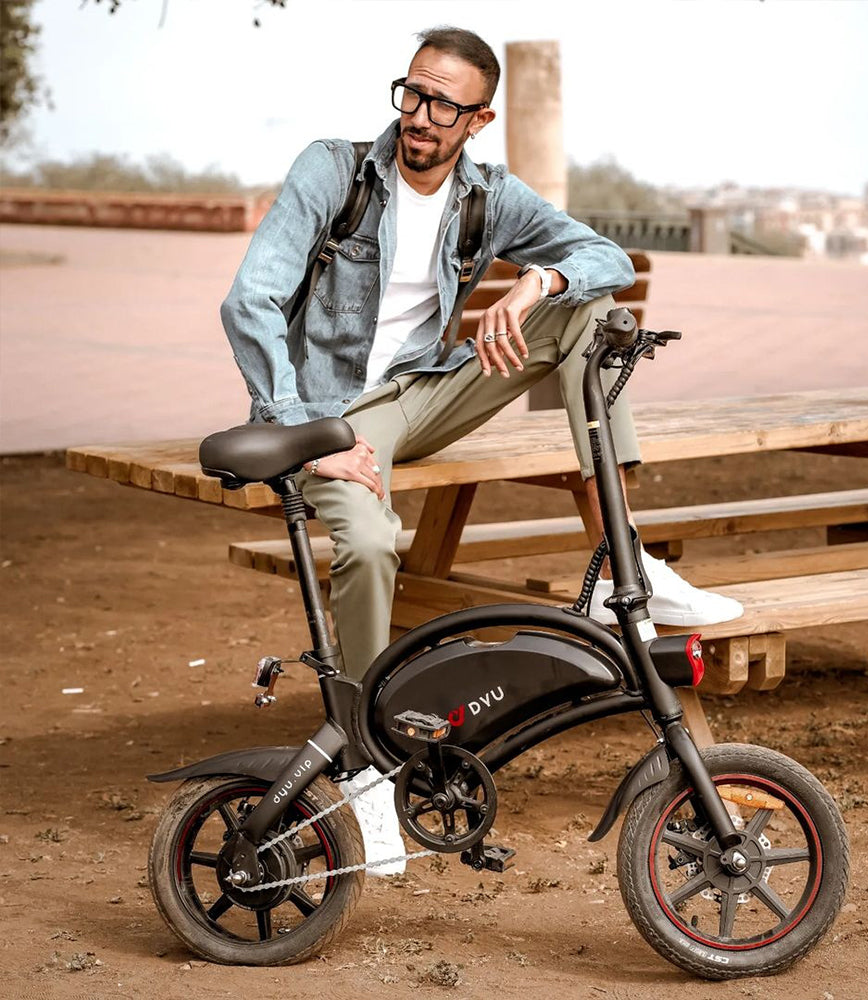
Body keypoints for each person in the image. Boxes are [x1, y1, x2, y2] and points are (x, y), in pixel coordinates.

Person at [221, 26, 742, 874]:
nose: (421, 117)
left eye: (444, 104)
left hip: (428, 393)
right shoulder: (335, 171)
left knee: (588, 314)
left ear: (479, 117)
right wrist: (299, 437)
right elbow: (251, 301)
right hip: (331, 412)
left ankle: (624, 560)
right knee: (368, 541)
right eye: (413, 93)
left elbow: (604, 257)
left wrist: (535, 280)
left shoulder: (486, 195)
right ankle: (363, 763)